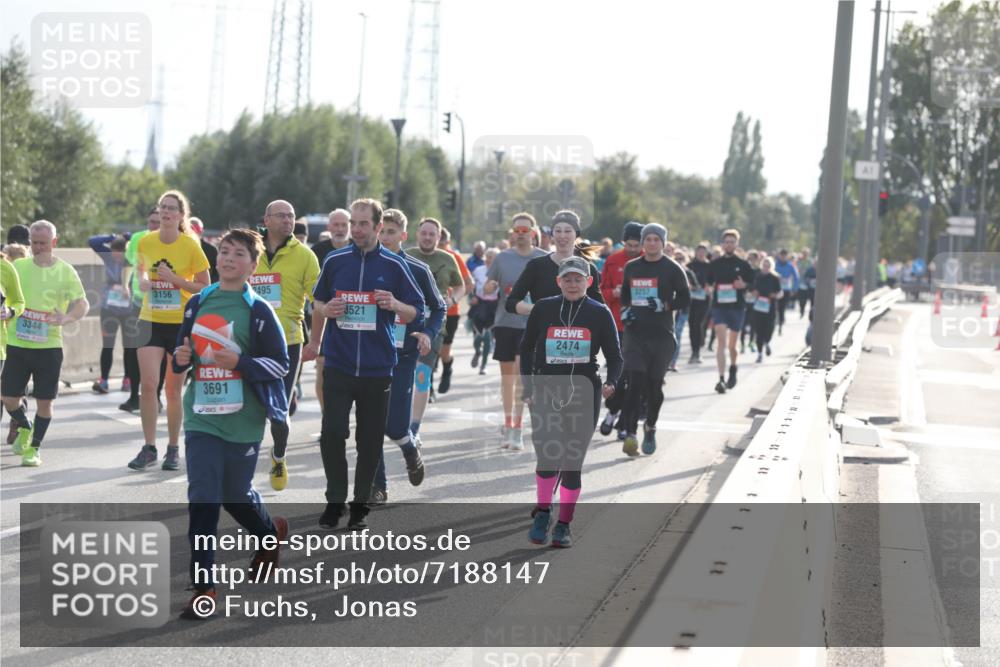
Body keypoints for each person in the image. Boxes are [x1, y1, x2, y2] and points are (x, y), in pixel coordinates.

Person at [172, 228, 290, 620]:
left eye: (238, 254)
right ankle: (204, 588)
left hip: (244, 418)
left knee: (235, 493)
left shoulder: (258, 310)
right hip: (201, 415)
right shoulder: (198, 302)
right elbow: (180, 355)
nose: (227, 259)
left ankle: (268, 535)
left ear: (252, 266)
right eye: (224, 251)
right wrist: (183, 357)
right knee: (204, 495)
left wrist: (239, 363)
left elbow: (280, 364)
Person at [303, 198, 424, 530]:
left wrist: (395, 303)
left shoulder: (395, 266)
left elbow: (417, 312)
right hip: (339, 364)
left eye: (363, 224)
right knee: (331, 434)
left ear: (377, 226)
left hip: (378, 367)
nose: (356, 229)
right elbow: (318, 302)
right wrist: (319, 329)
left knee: (369, 442)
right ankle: (334, 502)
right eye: (352, 223)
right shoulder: (335, 260)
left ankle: (359, 509)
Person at [520, 256, 622, 548]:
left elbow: (615, 357)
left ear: (589, 282)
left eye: (579, 279)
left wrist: (612, 382)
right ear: (559, 281)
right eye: (568, 279)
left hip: (584, 393)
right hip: (547, 391)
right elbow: (526, 347)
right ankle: (543, 512)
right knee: (548, 457)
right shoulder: (543, 308)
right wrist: (529, 384)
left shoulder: (600, 313)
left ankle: (564, 524)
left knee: (572, 463)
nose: (573, 284)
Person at [127, 191, 211, 471]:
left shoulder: (190, 245)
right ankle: (149, 447)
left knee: (174, 390)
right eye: (162, 207)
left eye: (171, 208)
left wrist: (175, 280)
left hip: (180, 323)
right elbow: (139, 272)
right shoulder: (146, 241)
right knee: (148, 385)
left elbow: (205, 287)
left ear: (180, 215)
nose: (165, 212)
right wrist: (143, 282)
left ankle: (173, 448)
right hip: (150, 320)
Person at [371, 208, 445, 503]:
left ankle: (409, 447)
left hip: (404, 355)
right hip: (369, 354)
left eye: (391, 232)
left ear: (402, 236)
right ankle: (377, 486)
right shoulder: (366, 266)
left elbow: (438, 307)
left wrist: (427, 333)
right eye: (381, 231)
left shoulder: (417, 269)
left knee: (395, 425)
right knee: (371, 423)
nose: (385, 237)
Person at [2, 221, 89, 466]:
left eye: (43, 243)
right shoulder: (17, 266)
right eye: (34, 243)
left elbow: (82, 303)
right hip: (16, 344)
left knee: (44, 402)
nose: (38, 248)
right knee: (8, 397)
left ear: (54, 242)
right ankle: (25, 426)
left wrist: (68, 317)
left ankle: (35, 448)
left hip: (48, 347)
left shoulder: (65, 271)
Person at [251, 200, 320, 491]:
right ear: (266, 219)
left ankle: (278, 455)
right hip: (250, 341)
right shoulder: (249, 250)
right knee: (250, 407)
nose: (288, 220)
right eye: (281, 215)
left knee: (279, 414)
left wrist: (316, 341)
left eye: (291, 215)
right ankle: (244, 458)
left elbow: (320, 303)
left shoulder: (305, 256)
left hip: (288, 342)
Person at [619, 223, 690, 456]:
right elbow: (626, 297)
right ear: (642, 242)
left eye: (656, 239)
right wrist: (625, 312)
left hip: (661, 336)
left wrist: (665, 305)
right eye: (647, 239)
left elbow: (686, 299)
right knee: (634, 383)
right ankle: (630, 433)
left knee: (653, 387)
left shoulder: (672, 268)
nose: (651, 243)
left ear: (663, 243)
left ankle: (650, 426)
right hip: (636, 334)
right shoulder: (631, 267)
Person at [483, 214, 548, 451]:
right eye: (517, 229)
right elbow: (488, 285)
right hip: (505, 322)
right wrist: (490, 286)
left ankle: (517, 428)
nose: (521, 233)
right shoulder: (502, 258)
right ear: (513, 233)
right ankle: (508, 422)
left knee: (522, 376)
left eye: (525, 229)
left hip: (531, 324)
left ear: (533, 233)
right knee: (507, 378)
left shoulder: (543, 258)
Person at [406, 218, 464, 440]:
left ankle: (414, 427)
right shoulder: (406, 255)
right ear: (417, 234)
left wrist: (452, 300)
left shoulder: (447, 259)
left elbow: (461, 286)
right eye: (424, 233)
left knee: (422, 374)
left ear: (439, 238)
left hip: (435, 326)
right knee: (401, 374)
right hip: (405, 323)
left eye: (432, 234)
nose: (428, 237)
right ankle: (397, 418)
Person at [598, 221, 643, 439]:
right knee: (621, 375)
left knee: (636, 378)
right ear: (623, 241)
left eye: (637, 245)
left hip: (643, 328)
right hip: (618, 325)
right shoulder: (613, 260)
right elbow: (601, 291)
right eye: (629, 244)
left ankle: (624, 422)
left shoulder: (650, 260)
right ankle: (613, 410)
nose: (633, 249)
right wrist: (613, 294)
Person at [120, 206, 163, 411]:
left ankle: (156, 395)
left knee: (160, 353)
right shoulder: (138, 239)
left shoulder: (172, 241)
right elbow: (129, 264)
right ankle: (133, 395)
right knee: (131, 349)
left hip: (163, 305)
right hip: (138, 301)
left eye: (158, 222)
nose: (154, 225)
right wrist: (124, 285)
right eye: (151, 222)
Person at [310, 208, 351, 416]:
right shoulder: (317, 251)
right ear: (329, 227)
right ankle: (327, 417)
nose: (340, 229)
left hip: (353, 319)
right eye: (336, 224)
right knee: (323, 371)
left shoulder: (359, 248)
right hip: (323, 316)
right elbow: (312, 289)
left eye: (344, 225)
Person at [706, 229, 754, 394]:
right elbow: (708, 282)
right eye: (726, 242)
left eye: (732, 242)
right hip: (719, 307)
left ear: (737, 244)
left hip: (737, 308)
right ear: (722, 244)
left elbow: (753, 284)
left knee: (732, 346)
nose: (729, 244)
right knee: (721, 343)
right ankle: (721, 379)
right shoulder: (715, 264)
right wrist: (708, 288)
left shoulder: (743, 265)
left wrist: (745, 286)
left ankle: (733, 368)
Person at [88, 233, 134, 394]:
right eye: (113, 251)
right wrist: (112, 237)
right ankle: (104, 380)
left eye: (119, 252)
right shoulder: (108, 258)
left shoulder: (133, 259)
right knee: (108, 345)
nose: (115, 255)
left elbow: (142, 241)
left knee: (129, 346)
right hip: (109, 308)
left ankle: (128, 379)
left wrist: (130, 237)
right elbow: (92, 241)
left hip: (129, 309)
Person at [436, 227, 473, 395]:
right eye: (439, 241)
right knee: (427, 351)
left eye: (444, 242)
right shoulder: (424, 256)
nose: (441, 245)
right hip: (428, 312)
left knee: (444, 351)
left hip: (450, 312)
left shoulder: (454, 257)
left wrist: (453, 298)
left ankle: (447, 368)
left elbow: (469, 284)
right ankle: (427, 388)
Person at [469, 248, 499, 374]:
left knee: (487, 337)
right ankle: (477, 351)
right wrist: (473, 297)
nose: (488, 260)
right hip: (480, 305)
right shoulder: (478, 271)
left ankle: (483, 365)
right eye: (487, 257)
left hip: (493, 306)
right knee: (477, 337)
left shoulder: (501, 273)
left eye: (491, 258)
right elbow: (470, 287)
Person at [669, 249, 698, 372]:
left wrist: (690, 287)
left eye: (681, 259)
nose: (679, 261)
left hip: (683, 309)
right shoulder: (670, 270)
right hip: (670, 308)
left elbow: (696, 286)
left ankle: (673, 362)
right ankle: (666, 361)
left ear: (685, 260)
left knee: (678, 335)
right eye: (677, 259)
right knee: (669, 336)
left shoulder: (689, 272)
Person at [750, 256, 783, 363]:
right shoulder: (757, 276)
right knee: (759, 330)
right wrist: (754, 292)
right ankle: (759, 354)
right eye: (764, 265)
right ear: (761, 266)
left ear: (771, 267)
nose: (766, 267)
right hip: (758, 306)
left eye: (768, 266)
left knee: (769, 328)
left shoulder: (775, 278)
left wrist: (774, 295)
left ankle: (767, 342)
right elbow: (751, 289)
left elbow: (779, 293)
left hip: (770, 307)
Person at [687, 243, 711, 364]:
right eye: (699, 251)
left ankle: (698, 348)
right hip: (691, 300)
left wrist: (710, 287)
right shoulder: (689, 266)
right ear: (696, 252)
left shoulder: (710, 266)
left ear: (706, 253)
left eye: (703, 251)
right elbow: (683, 279)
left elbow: (714, 281)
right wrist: (689, 286)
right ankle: (694, 352)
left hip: (705, 300)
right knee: (692, 325)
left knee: (700, 324)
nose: (701, 253)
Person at [773, 249, 798, 335]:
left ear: (787, 256)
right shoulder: (775, 264)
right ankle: (775, 322)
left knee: (782, 308)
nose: (783, 257)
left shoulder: (790, 266)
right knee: (775, 307)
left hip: (786, 290)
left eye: (784, 255)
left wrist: (794, 289)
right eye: (781, 255)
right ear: (779, 255)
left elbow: (796, 277)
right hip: (776, 289)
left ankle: (780, 324)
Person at [189, 217, 219, 284]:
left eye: (195, 229)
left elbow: (217, 273)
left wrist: (210, 288)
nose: (193, 233)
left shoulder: (211, 251)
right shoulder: (179, 248)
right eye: (191, 229)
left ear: (201, 231)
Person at [797, 248, 814, 317]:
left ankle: (811, 313)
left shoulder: (810, 261)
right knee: (801, 298)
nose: (805, 255)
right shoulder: (799, 261)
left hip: (808, 283)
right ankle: (802, 310)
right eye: (804, 253)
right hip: (801, 282)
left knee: (810, 298)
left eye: (806, 253)